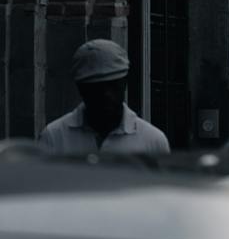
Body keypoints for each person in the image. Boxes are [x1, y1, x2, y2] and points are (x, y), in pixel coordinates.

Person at [39, 40, 169, 158]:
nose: (106, 95)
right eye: (96, 89)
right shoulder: (54, 137)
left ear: (124, 84)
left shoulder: (153, 141)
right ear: (81, 89)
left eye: (113, 85)